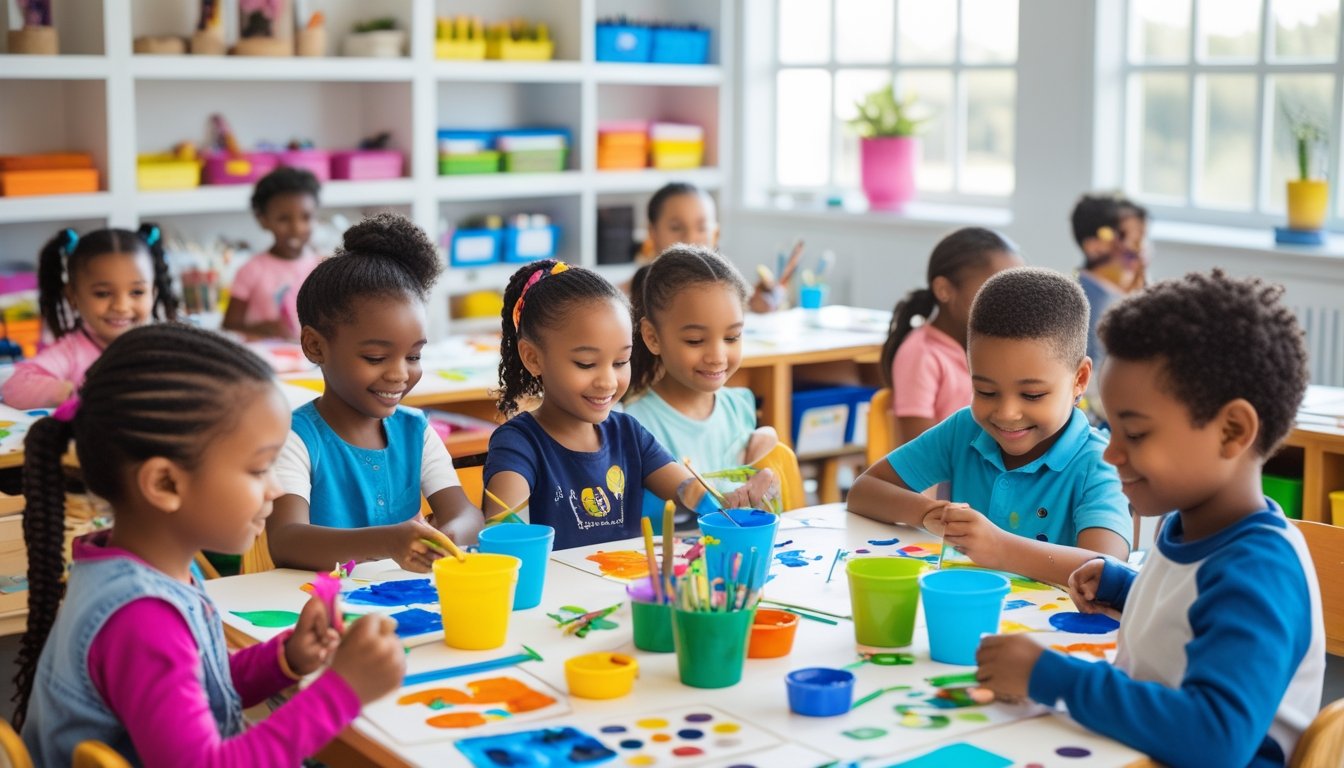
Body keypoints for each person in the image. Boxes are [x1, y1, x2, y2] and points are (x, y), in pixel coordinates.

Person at [12, 324, 404, 765]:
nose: (275, 489)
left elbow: (197, 688)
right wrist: (342, 693)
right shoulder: (142, 618)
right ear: (164, 482)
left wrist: (286, 658)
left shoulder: (151, 567)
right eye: (258, 470)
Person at [977, 270, 1322, 768]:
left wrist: (1052, 679)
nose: (1112, 453)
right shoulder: (1196, 529)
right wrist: (1125, 588)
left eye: (1135, 435)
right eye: (1111, 429)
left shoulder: (1258, 570)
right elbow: (1191, 616)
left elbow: (1215, 739)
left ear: (1231, 430)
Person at [848, 267, 1132, 586]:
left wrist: (998, 548)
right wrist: (929, 514)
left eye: (1032, 394)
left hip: (1050, 633)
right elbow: (863, 492)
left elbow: (1106, 569)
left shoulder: (1099, 463)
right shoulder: (966, 430)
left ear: (1079, 379)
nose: (1007, 413)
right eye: (985, 391)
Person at [484, 260, 775, 550]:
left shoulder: (628, 433)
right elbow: (506, 544)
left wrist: (729, 501)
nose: (608, 382)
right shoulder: (518, 444)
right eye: (586, 364)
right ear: (533, 358)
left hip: (624, 589)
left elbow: (689, 489)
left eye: (621, 362)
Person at [268, 213, 482, 571]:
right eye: (376, 357)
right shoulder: (296, 438)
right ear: (315, 346)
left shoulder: (416, 431)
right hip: (320, 611)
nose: (400, 373)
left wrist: (446, 538)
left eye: (413, 355)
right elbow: (287, 540)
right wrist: (388, 540)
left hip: (405, 605)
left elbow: (466, 515)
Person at [625, 246, 777, 515]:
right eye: (695, 341)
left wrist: (767, 483)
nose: (717, 356)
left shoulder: (740, 406)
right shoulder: (631, 423)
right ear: (652, 337)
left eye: (732, 337)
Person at [2, 225, 176, 409]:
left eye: (137, 292)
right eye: (102, 294)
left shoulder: (163, 346)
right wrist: (77, 392)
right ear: (73, 296)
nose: (121, 307)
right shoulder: (70, 352)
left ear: (153, 294)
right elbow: (14, 387)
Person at [879, 227, 1022, 447]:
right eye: (995, 290)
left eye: (1015, 291)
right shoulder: (921, 354)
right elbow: (923, 455)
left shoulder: (995, 351)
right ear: (944, 289)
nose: (1009, 304)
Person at [222, 167, 322, 340]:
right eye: (284, 219)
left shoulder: (322, 266)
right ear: (263, 220)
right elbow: (229, 325)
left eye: (306, 217)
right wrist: (263, 328)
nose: (296, 228)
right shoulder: (251, 270)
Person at [1071, 192, 1149, 369]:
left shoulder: (1122, 296)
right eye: (1132, 240)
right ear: (1095, 247)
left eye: (1142, 239)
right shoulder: (1087, 306)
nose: (1140, 251)